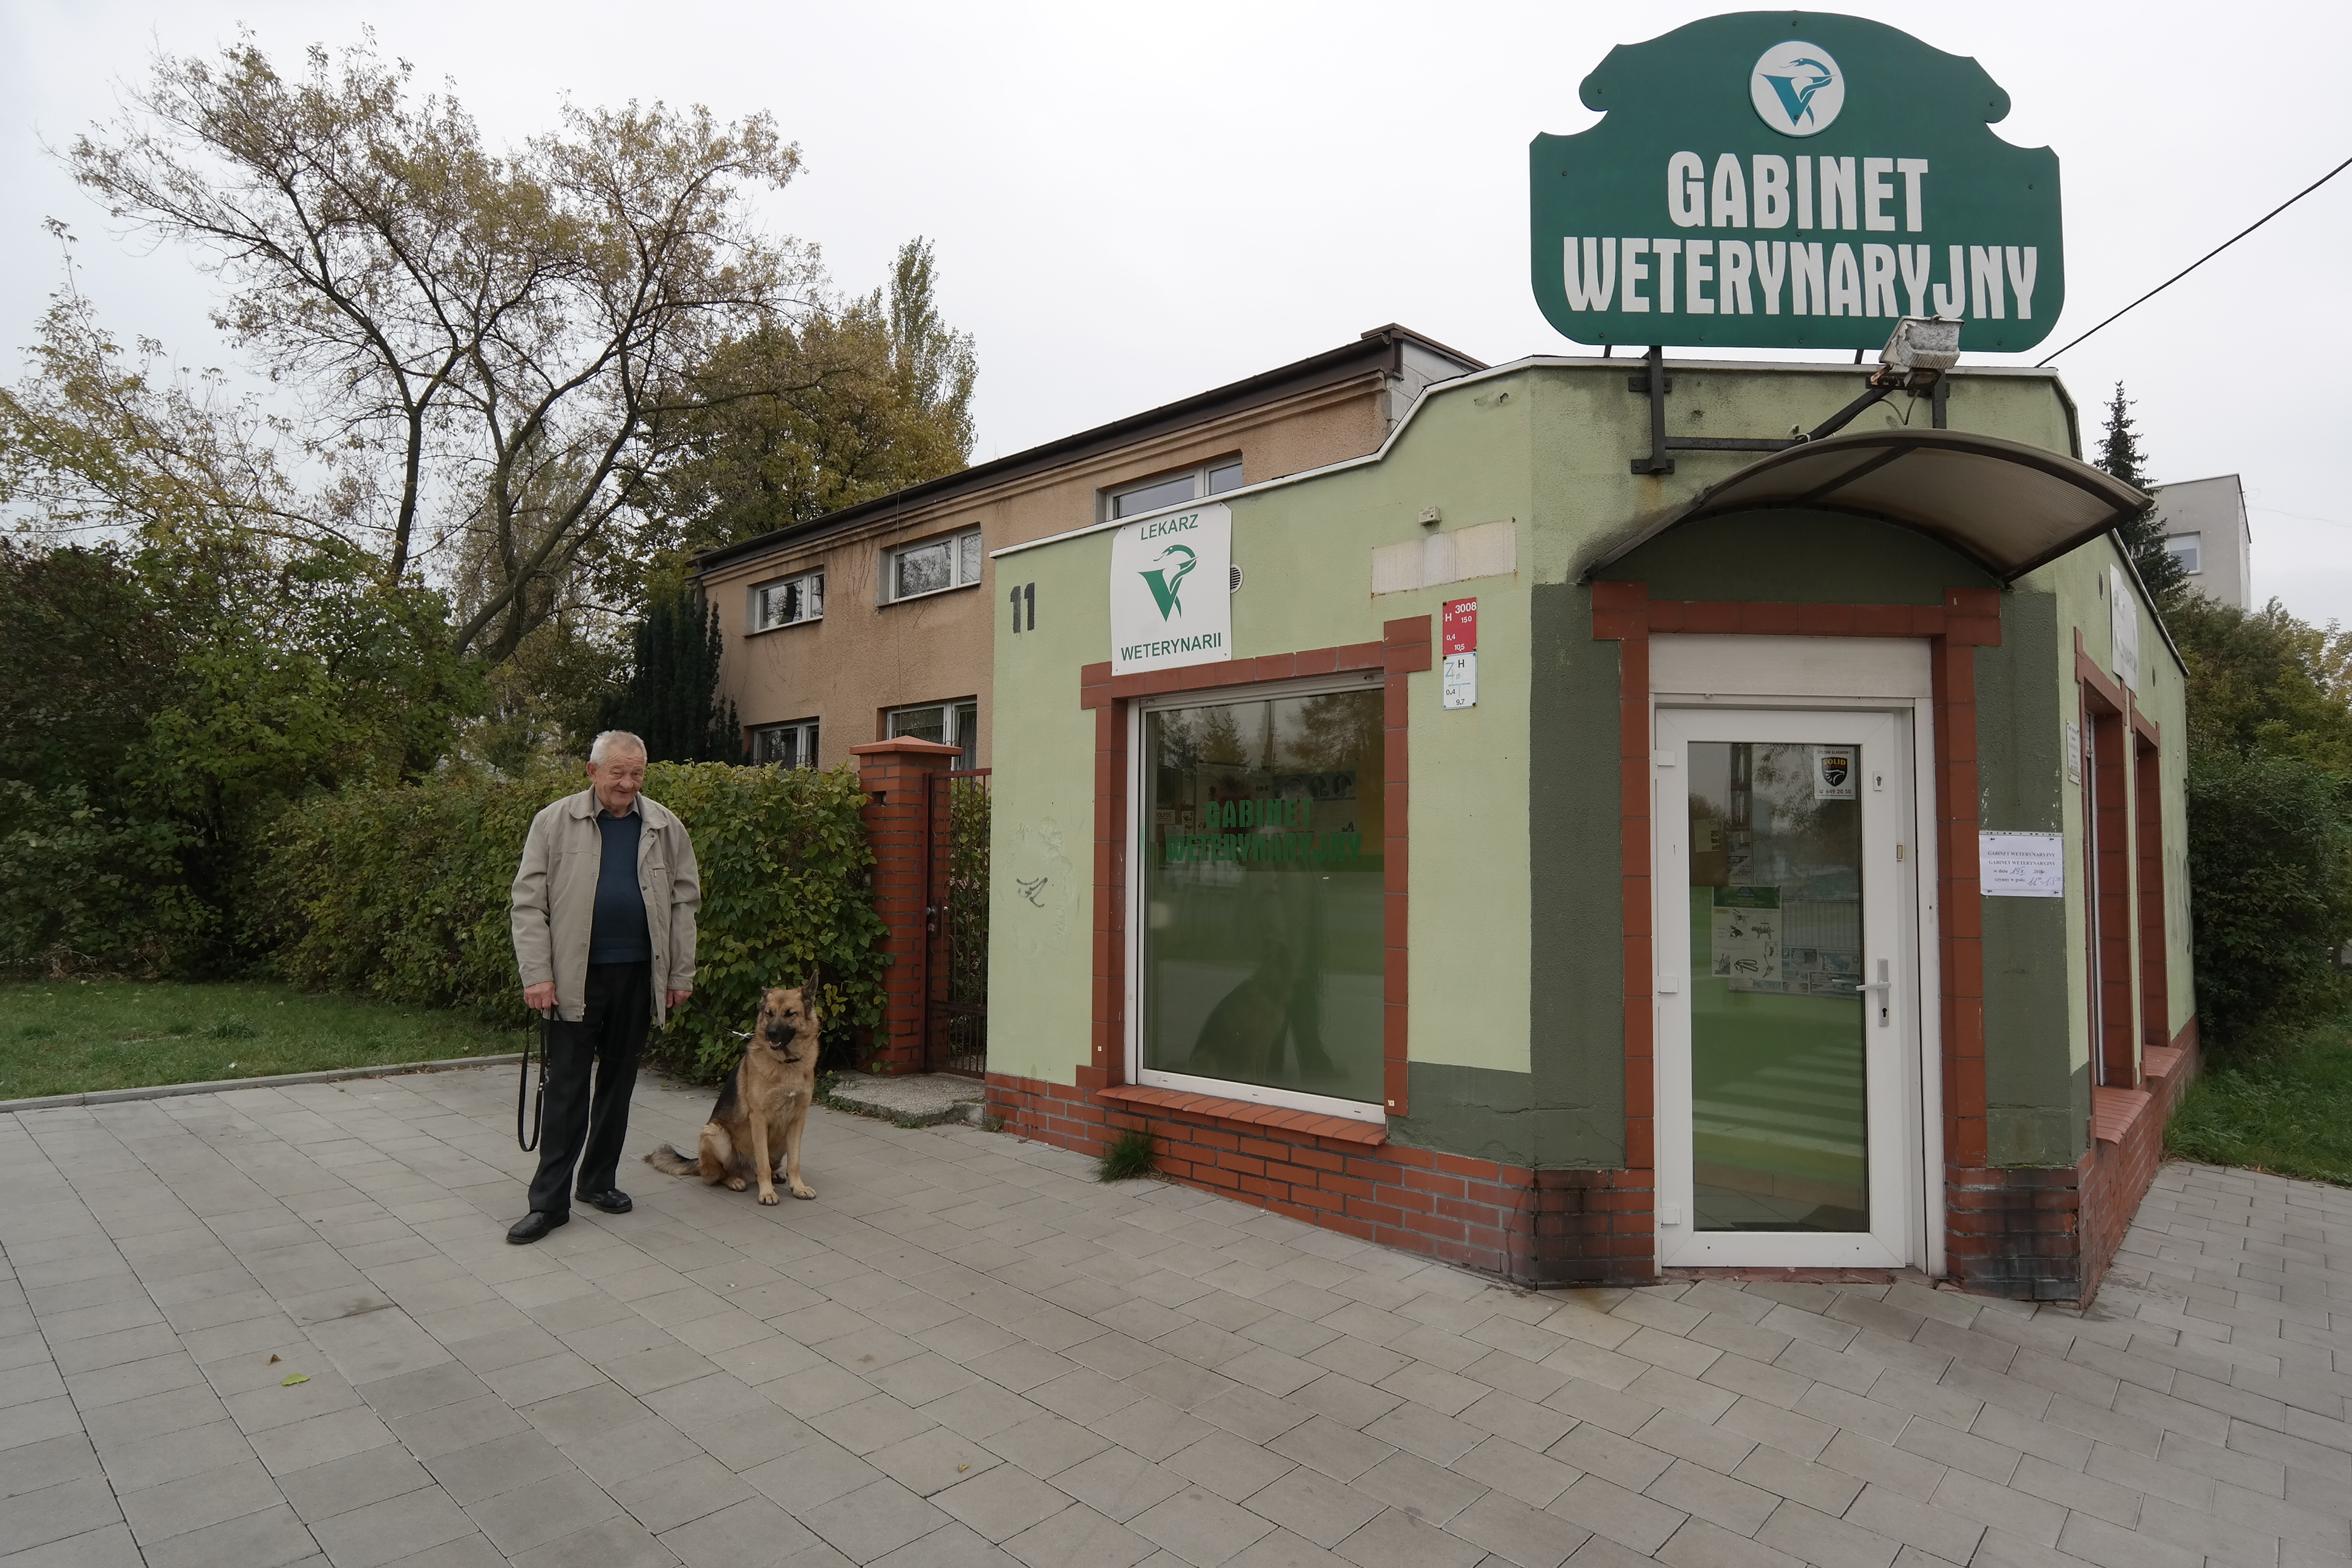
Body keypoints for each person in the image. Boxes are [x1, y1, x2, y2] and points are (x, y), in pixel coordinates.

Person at [506, 731, 702, 1243]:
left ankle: (597, 1181)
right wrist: (537, 975)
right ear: (592, 771)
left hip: (637, 976)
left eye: (637, 773)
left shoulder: (664, 825)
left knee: (618, 1087)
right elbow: (528, 905)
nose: (628, 783)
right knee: (566, 1091)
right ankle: (548, 1204)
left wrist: (679, 974)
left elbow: (684, 904)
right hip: (573, 980)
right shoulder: (554, 821)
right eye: (618, 772)